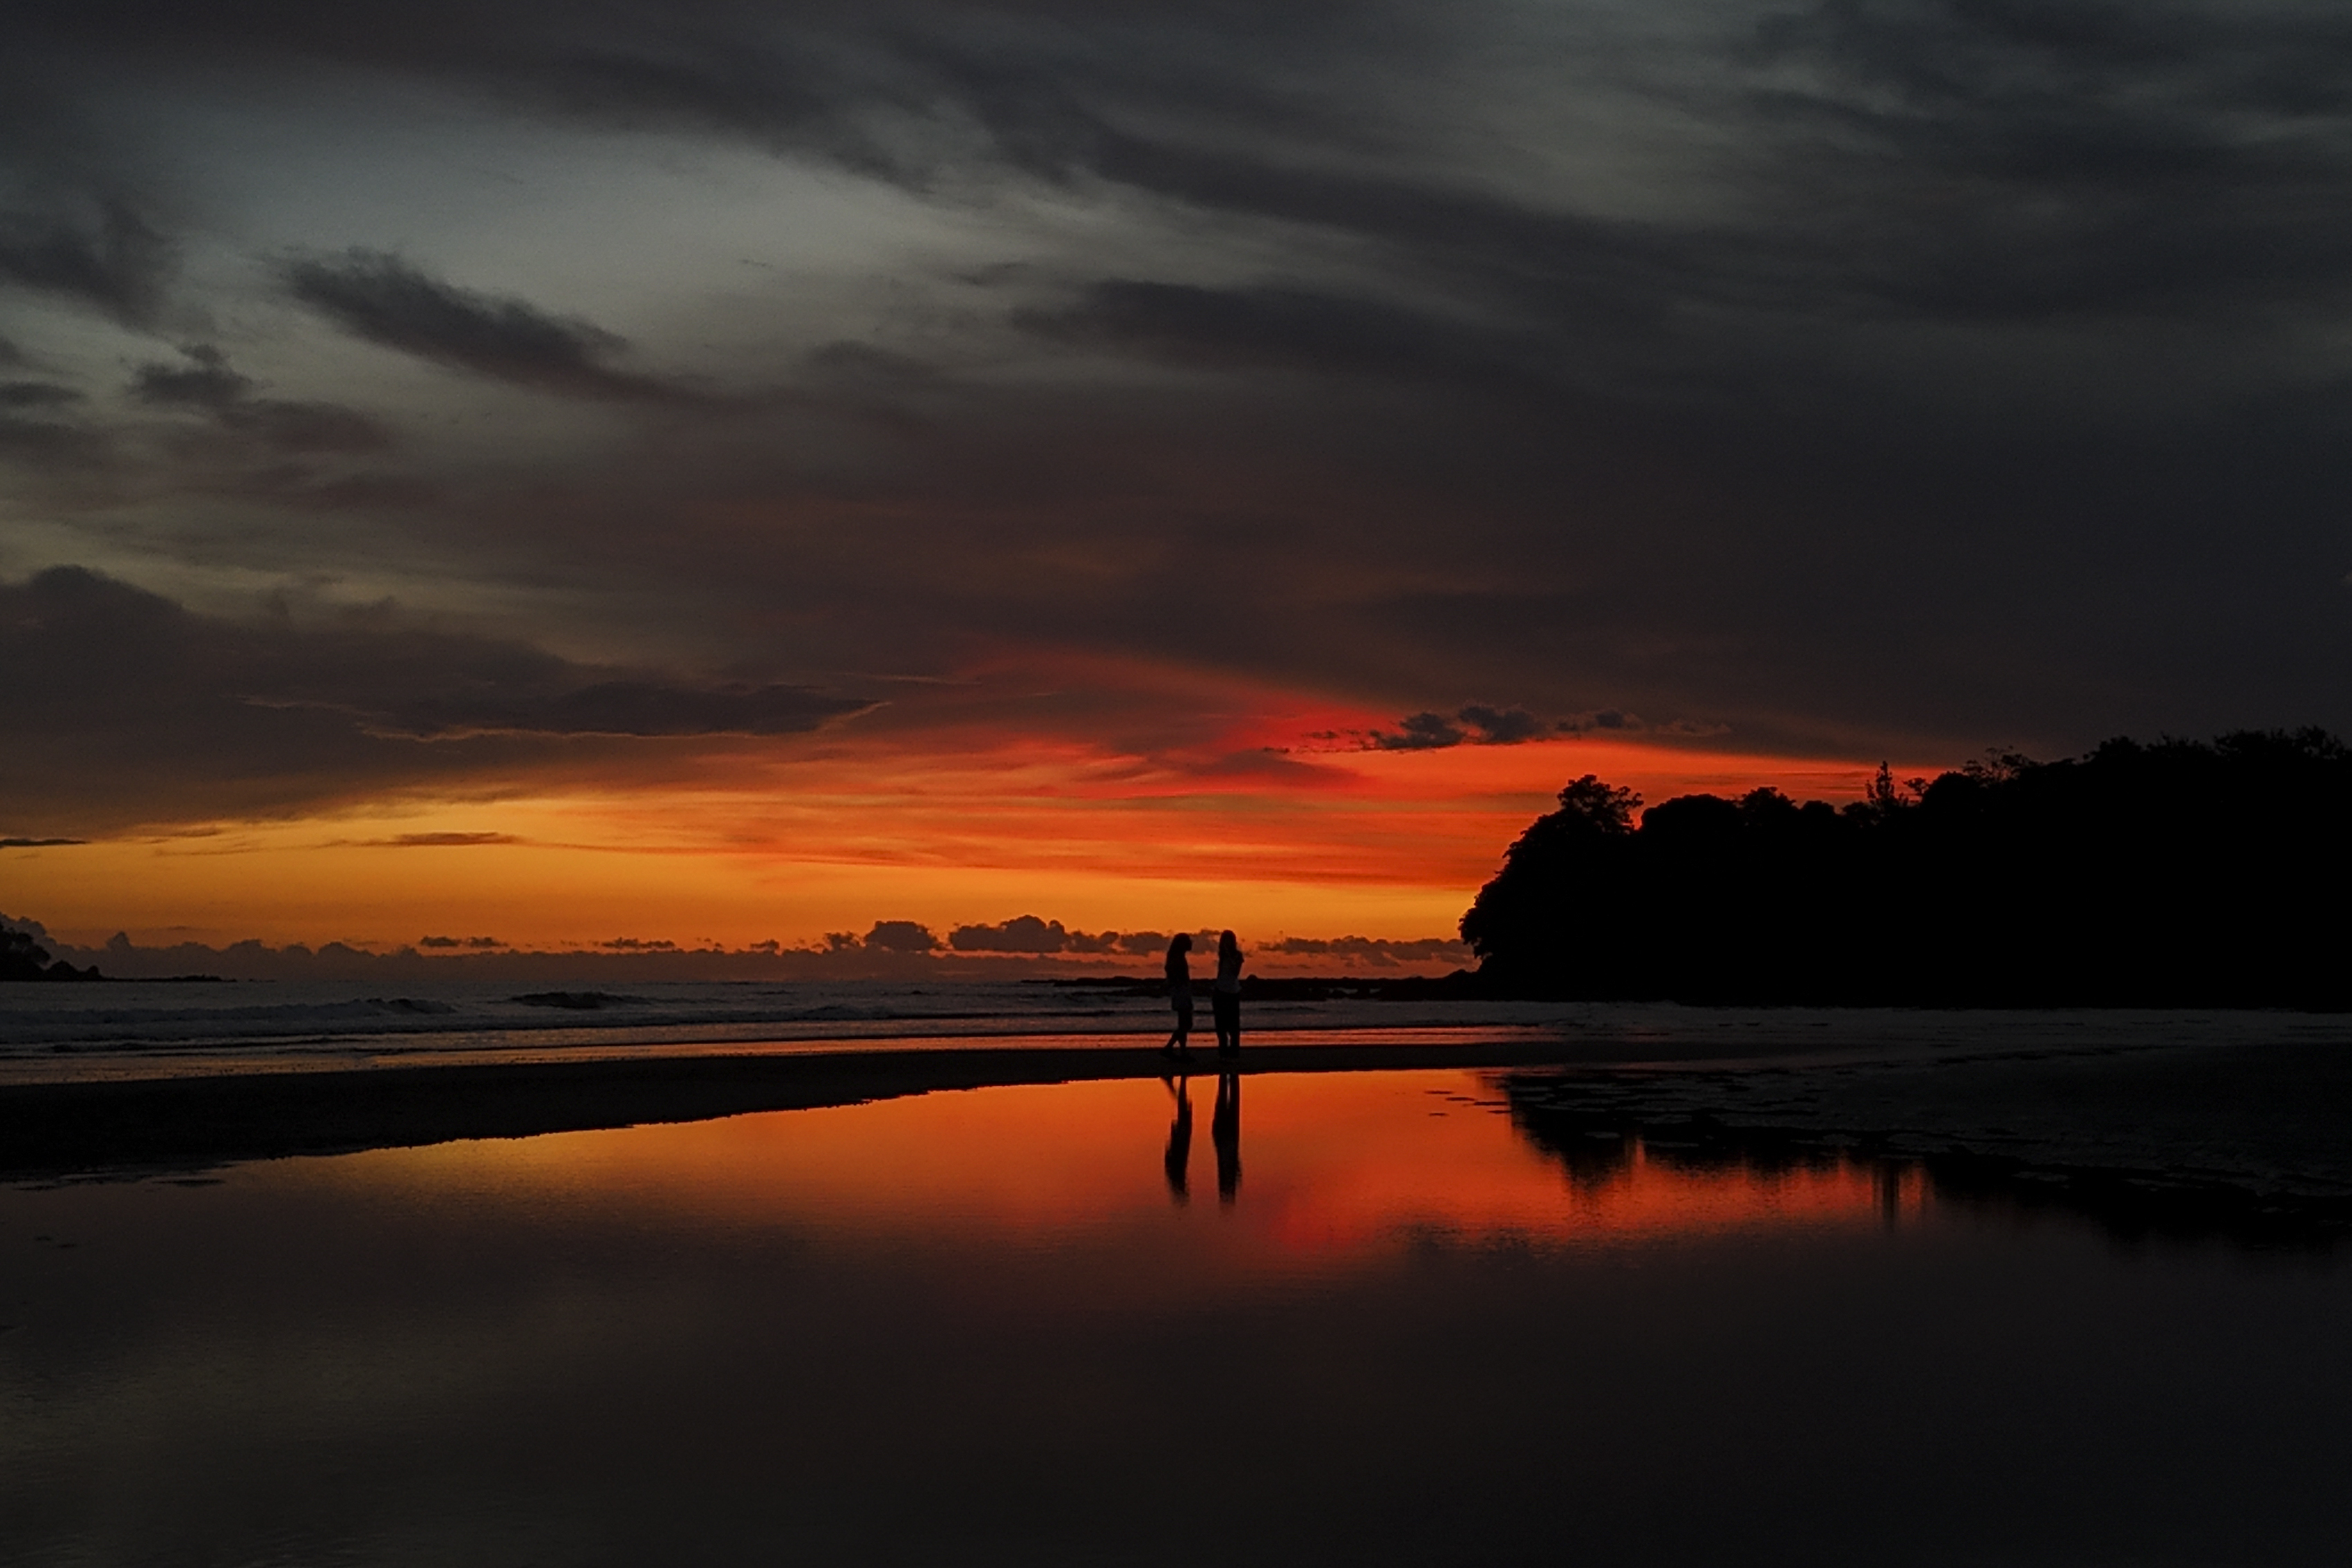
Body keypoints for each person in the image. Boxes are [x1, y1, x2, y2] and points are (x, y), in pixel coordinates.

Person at [1212, 929, 1244, 1054]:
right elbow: (1220, 973)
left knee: (1234, 1024)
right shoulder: (1222, 955)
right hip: (1220, 990)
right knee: (1220, 1024)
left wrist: (1229, 956)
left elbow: (1235, 972)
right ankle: (1223, 1050)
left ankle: (1234, 1051)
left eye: (1229, 940)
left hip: (1233, 991)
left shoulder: (1237, 955)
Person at [1161, 932, 1194, 1054]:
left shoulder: (1177, 957)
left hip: (1180, 991)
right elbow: (1176, 977)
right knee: (1186, 1024)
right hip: (1181, 992)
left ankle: (1182, 1050)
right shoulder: (1178, 959)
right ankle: (1170, 1047)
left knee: (1183, 1023)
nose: (1191, 943)